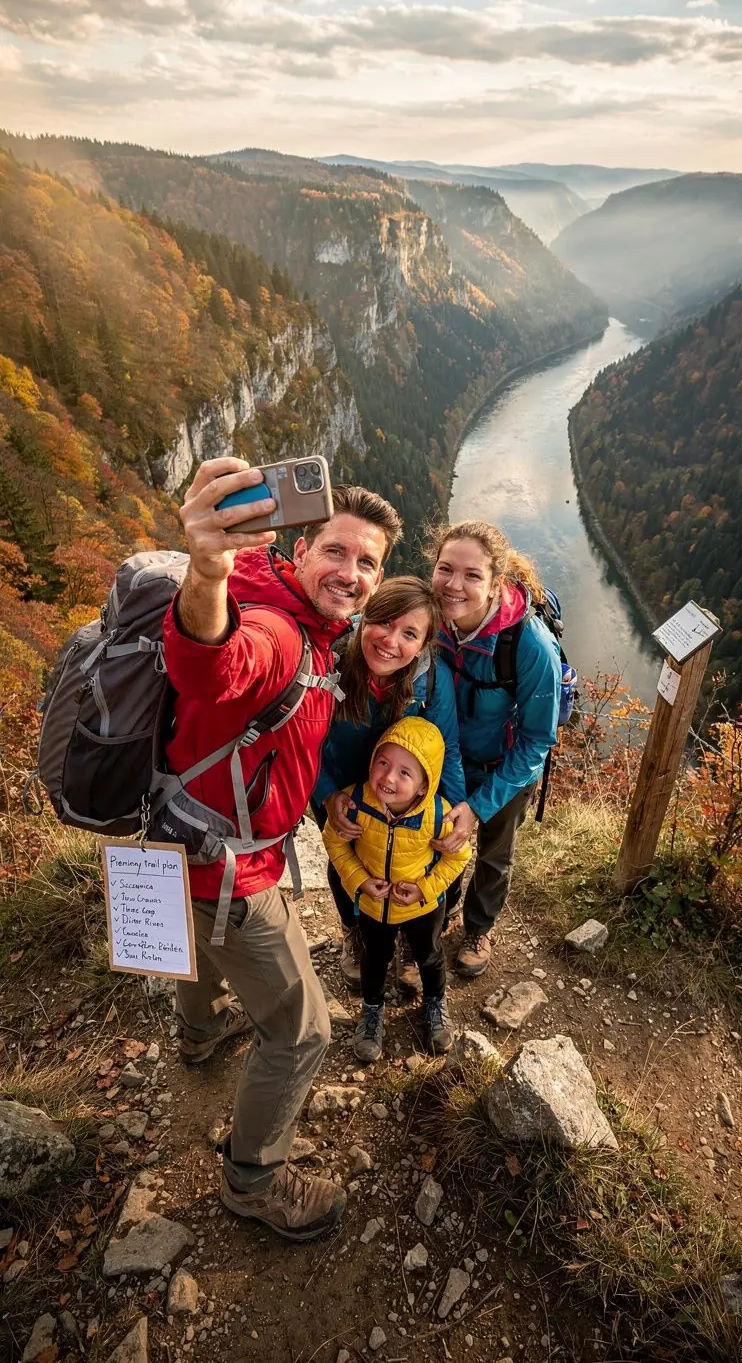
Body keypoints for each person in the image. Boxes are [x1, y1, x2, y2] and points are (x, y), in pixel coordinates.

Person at [163, 456, 402, 1242]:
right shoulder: (272, 625)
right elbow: (216, 662)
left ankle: (199, 1033)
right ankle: (255, 1180)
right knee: (304, 1030)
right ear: (298, 551)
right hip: (232, 866)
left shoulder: (294, 612)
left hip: (174, 834)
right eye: (336, 551)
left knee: (197, 951)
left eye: (368, 562)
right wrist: (205, 572)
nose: (352, 572)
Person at [311, 576, 465, 989]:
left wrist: (455, 814)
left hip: (405, 796)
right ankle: (356, 932)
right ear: (365, 617)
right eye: (383, 621)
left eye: (410, 633)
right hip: (340, 787)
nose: (391, 641)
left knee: (417, 860)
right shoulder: (331, 659)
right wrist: (326, 795)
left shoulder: (431, 681)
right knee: (346, 858)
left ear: (425, 643)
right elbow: (302, 738)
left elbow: (445, 749)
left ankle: (413, 940)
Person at [428, 520, 561, 978]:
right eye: (446, 569)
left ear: (495, 583)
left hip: (505, 769)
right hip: (446, 763)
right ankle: (435, 921)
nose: (454, 585)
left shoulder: (528, 645)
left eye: (472, 575)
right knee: (439, 844)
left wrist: (480, 806)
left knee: (493, 852)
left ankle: (478, 928)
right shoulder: (429, 618)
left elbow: (537, 739)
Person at [322, 717, 471, 1061]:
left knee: (430, 956)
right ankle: (372, 1011)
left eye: (405, 773)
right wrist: (359, 881)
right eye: (383, 763)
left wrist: (426, 890)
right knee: (374, 958)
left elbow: (459, 857)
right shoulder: (355, 802)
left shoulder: (438, 815)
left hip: (423, 906)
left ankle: (435, 1003)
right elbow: (335, 842)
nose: (388, 778)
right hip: (375, 906)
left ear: (423, 786)